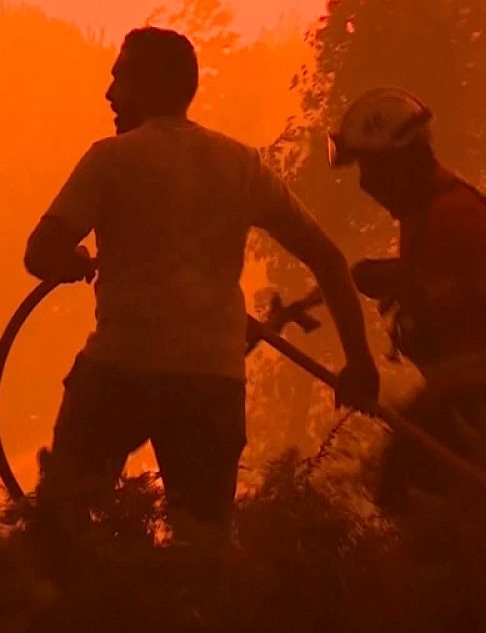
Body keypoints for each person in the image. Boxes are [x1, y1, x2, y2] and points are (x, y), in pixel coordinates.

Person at [23, 27, 379, 540]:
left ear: (151, 86)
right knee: (204, 547)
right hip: (211, 382)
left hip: (120, 370)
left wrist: (74, 260)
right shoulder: (240, 166)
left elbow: (39, 253)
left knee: (60, 527)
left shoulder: (110, 159)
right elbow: (328, 259)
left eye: (118, 79)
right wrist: (360, 363)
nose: (108, 94)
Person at [326, 87, 486, 510]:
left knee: (414, 495)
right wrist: (392, 275)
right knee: (416, 491)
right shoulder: (425, 213)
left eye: (370, 168)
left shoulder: (452, 214)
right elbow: (450, 278)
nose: (365, 184)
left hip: (478, 391)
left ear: (400, 162)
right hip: (457, 389)